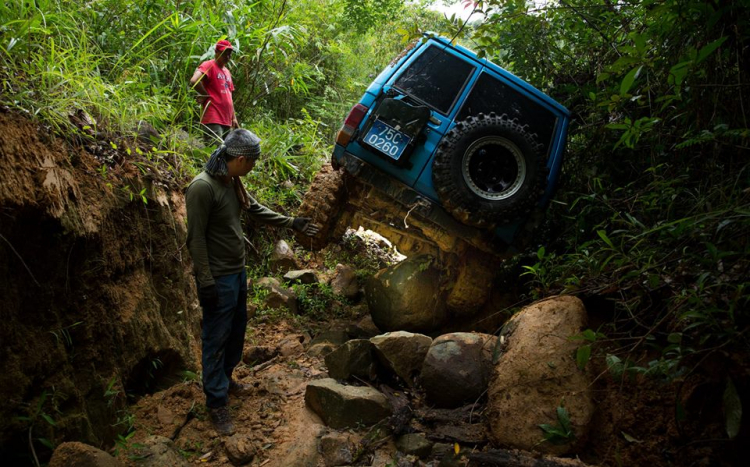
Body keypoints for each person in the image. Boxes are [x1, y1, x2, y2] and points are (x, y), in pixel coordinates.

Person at [185, 129, 319, 435]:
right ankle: (216, 403)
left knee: (236, 330)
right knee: (216, 336)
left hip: (237, 271)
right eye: (253, 162)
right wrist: (205, 281)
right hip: (218, 277)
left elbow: (254, 209)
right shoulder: (202, 188)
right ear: (242, 159)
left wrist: (291, 222)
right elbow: (196, 239)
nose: (253, 167)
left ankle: (226, 379)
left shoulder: (231, 181)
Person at [190, 39, 240, 143]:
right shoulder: (209, 65)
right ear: (216, 52)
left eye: (229, 54)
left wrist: (233, 118)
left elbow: (229, 96)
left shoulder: (227, 72)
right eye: (224, 53)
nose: (227, 57)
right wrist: (205, 94)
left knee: (226, 154)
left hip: (227, 120)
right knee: (215, 151)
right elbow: (194, 80)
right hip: (213, 117)